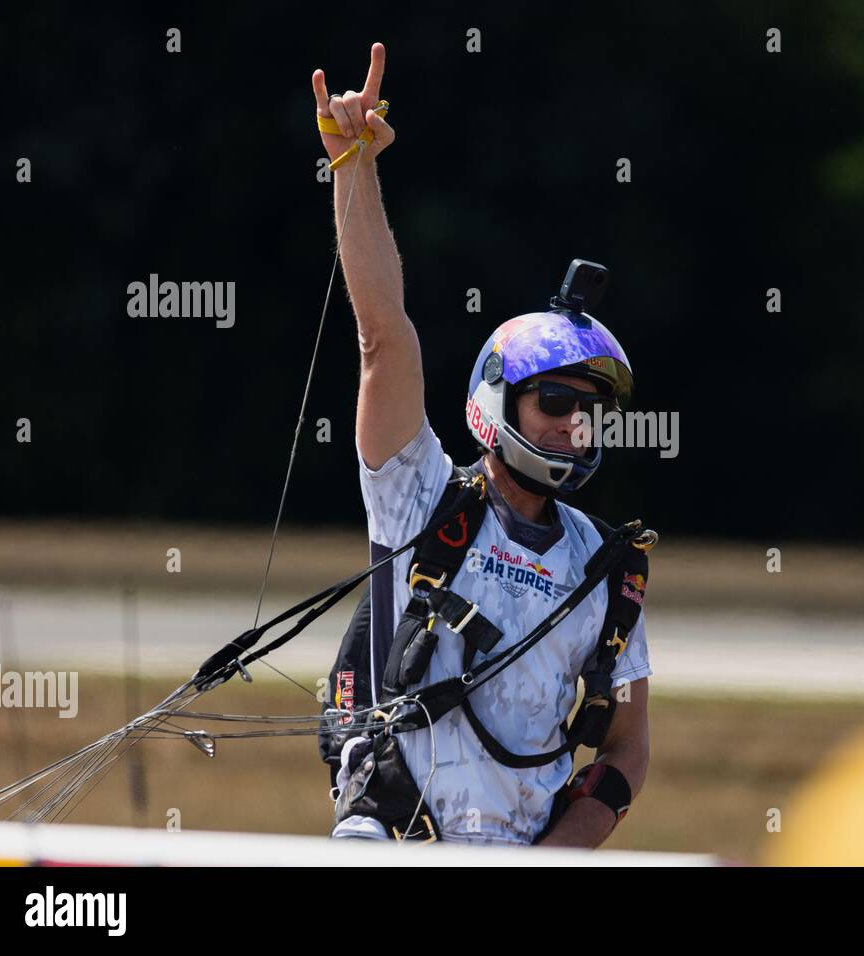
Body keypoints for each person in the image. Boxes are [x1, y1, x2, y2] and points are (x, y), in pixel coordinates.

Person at [314, 42, 651, 848]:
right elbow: (382, 341)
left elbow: (629, 749)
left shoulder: (608, 569)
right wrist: (353, 166)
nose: (576, 423)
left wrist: (556, 858)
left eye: (592, 410)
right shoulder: (419, 495)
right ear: (497, 403)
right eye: (559, 400)